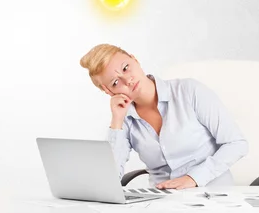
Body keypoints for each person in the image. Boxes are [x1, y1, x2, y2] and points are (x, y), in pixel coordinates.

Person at [79, 44, 248, 189]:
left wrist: (194, 178)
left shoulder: (189, 91)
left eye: (125, 68)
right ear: (108, 91)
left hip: (213, 195)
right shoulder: (125, 120)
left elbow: (237, 144)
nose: (127, 80)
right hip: (163, 202)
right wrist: (116, 121)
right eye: (115, 83)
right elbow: (109, 180)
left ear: (134, 59)